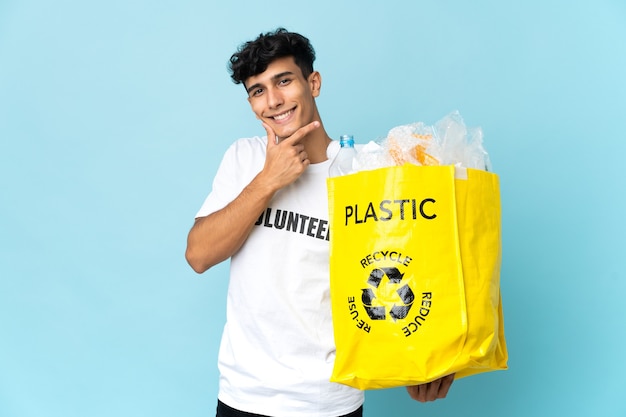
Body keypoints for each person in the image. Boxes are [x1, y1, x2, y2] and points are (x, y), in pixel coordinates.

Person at [185, 28, 454, 417]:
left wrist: (426, 359)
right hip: (243, 397)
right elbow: (198, 254)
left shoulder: (368, 169)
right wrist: (268, 181)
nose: (273, 101)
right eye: (257, 90)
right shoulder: (244, 159)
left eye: (283, 81)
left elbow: (413, 265)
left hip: (329, 401)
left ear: (313, 82)